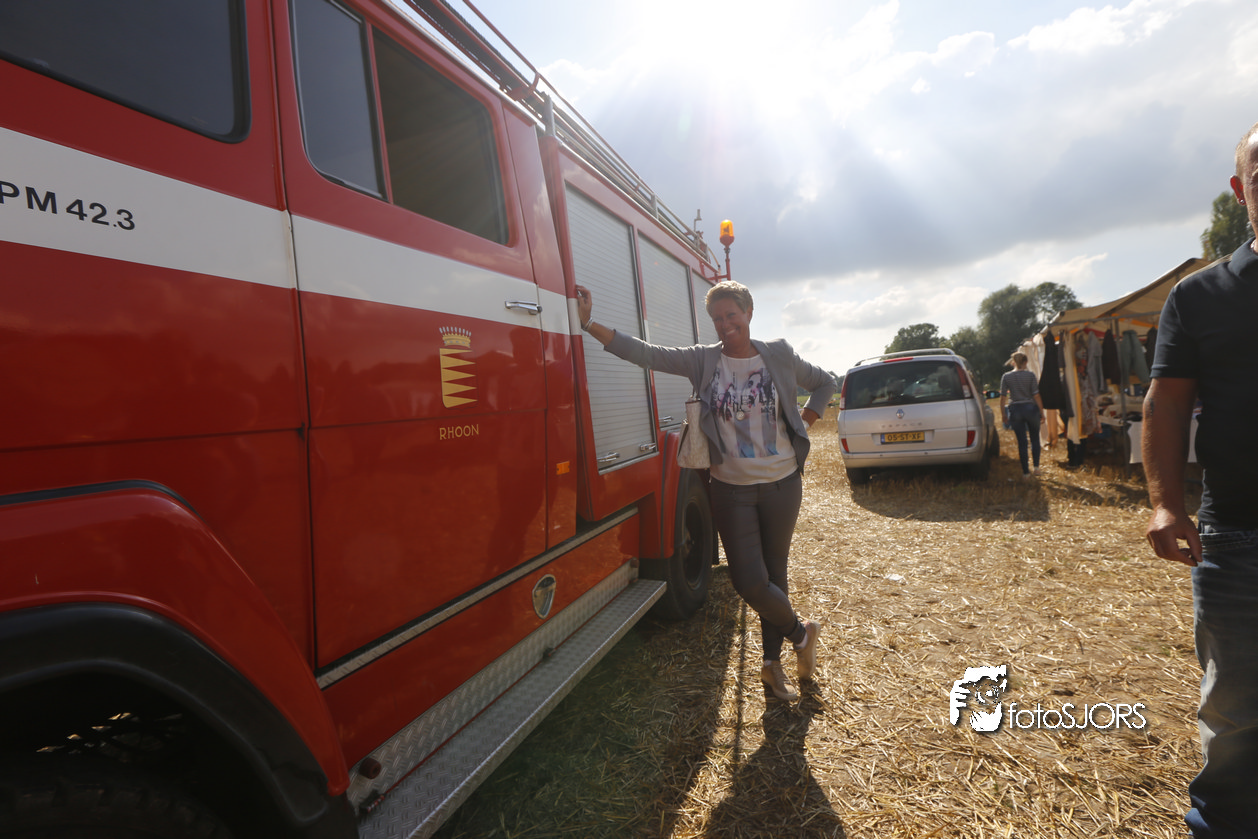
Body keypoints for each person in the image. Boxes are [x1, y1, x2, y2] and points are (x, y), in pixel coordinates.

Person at [575, 280, 836, 702]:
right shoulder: (703, 360)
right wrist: (590, 324)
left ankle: (772, 667)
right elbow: (646, 353)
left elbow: (825, 382)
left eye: (732, 315)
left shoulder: (779, 354)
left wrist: (805, 420)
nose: (725, 324)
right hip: (730, 489)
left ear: (749, 312)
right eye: (717, 318)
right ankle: (801, 635)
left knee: (775, 574)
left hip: (782, 484)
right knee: (749, 581)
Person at [1144, 119, 1258, 837]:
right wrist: (1165, 504)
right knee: (1238, 714)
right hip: (1239, 540)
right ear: (1241, 188)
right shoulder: (1200, 295)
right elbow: (1166, 403)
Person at [999, 352, 1044, 478]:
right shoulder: (1030, 375)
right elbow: (1036, 395)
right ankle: (1036, 467)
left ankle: (1025, 472)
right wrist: (1041, 412)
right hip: (1031, 409)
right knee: (1035, 438)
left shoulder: (1006, 376)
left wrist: (1003, 414)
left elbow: (1002, 397)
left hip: (1016, 409)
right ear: (1025, 362)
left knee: (1022, 442)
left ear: (1013, 362)